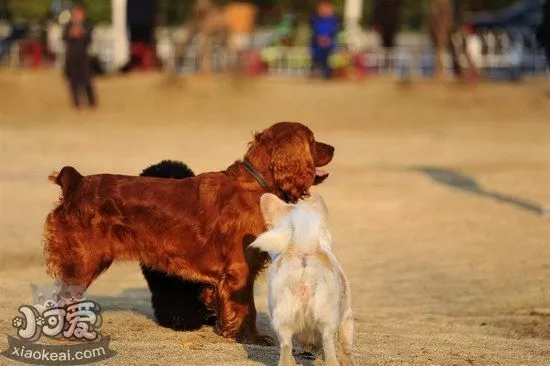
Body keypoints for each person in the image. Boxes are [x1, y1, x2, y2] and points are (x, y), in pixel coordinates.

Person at [63, 3, 96, 108]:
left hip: (83, 56)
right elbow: (64, 38)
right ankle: (76, 102)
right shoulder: (68, 26)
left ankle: (91, 102)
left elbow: (89, 38)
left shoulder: (87, 25)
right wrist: (71, 34)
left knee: (86, 79)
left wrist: (81, 33)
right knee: (73, 81)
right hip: (71, 56)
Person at [372, 0, 404, 70]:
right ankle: (383, 67)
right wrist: (376, 24)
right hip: (384, 27)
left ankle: (390, 67)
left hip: (392, 26)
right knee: (383, 48)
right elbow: (376, 11)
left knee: (391, 48)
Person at [311, 1, 339, 79]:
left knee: (330, 59)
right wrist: (320, 38)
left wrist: (328, 39)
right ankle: (318, 72)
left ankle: (329, 74)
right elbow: (315, 30)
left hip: (329, 43)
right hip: (318, 44)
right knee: (318, 57)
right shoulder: (316, 19)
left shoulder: (333, 20)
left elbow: (333, 31)